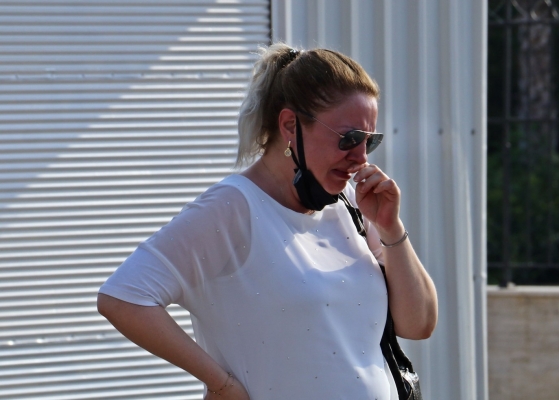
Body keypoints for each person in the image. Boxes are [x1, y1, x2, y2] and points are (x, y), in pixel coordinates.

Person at [97, 42, 438, 400]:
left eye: (369, 141)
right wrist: (223, 385)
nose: (360, 158)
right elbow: (123, 298)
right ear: (290, 125)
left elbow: (419, 324)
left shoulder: (350, 204)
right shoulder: (233, 206)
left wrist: (390, 228)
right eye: (349, 139)